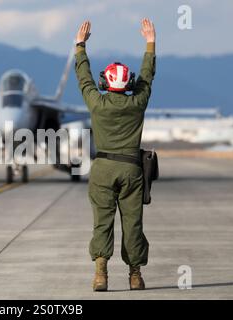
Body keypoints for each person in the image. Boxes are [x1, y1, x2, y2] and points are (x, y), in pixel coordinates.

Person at [74, 19, 156, 291]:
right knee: (133, 223)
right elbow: (146, 78)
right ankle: (135, 276)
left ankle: (101, 275)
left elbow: (84, 79)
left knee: (102, 223)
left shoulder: (97, 103)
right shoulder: (137, 102)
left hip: (103, 169)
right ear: (128, 83)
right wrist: (150, 43)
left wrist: (80, 46)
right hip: (132, 170)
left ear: (105, 83)